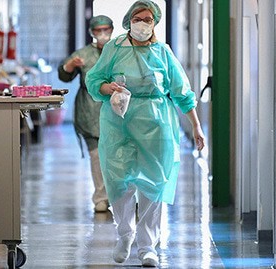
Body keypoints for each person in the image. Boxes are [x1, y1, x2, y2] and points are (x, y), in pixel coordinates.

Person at [85, 0, 205, 267]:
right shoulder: (115, 48)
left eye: (148, 19)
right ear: (129, 21)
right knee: (119, 181)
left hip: (156, 124)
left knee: (153, 184)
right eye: (138, 19)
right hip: (120, 124)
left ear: (155, 23)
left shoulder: (162, 52)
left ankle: (148, 245)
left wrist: (196, 125)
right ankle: (125, 235)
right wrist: (109, 89)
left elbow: (181, 91)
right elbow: (94, 80)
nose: (142, 24)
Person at [58, 15, 114, 213]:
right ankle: (101, 197)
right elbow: (64, 74)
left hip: (116, 110)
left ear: (112, 30)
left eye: (106, 30)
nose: (102, 34)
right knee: (97, 156)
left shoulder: (119, 51)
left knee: (119, 157)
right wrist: (71, 65)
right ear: (92, 32)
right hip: (90, 110)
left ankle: (122, 197)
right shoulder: (83, 54)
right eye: (98, 31)